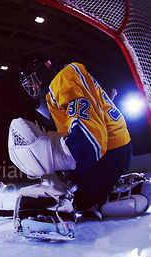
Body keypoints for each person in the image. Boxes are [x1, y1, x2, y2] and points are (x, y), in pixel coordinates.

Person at [11, 53, 149, 220]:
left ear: (42, 73)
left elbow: (89, 138)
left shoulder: (63, 79)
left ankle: (114, 193)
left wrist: (65, 166)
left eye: (32, 82)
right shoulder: (67, 78)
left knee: (66, 202)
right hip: (115, 150)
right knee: (77, 197)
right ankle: (112, 191)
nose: (33, 88)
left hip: (108, 153)